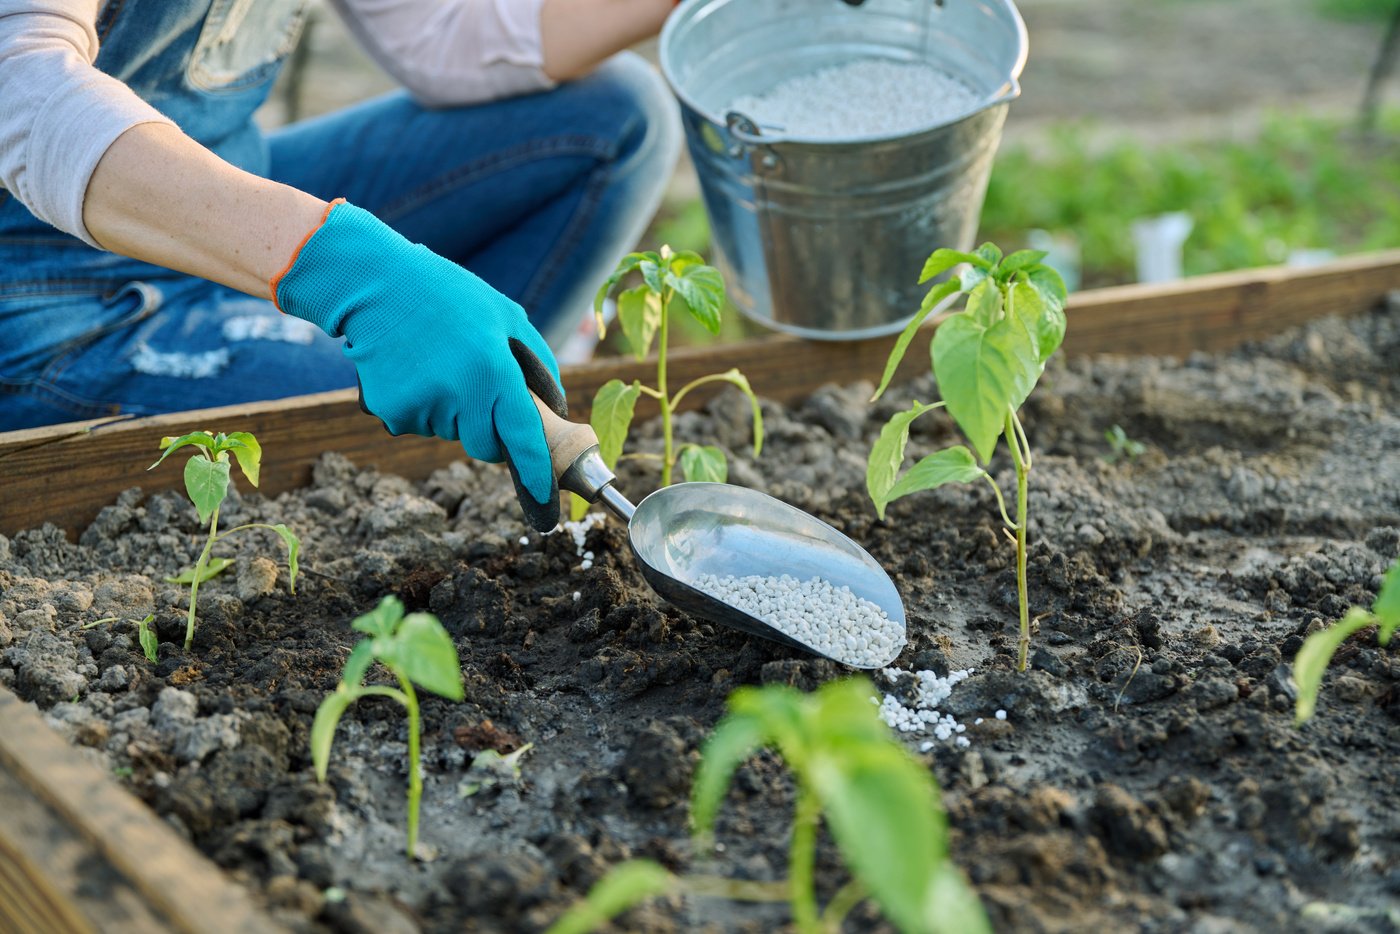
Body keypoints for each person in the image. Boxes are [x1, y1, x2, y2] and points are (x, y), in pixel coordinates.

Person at [0, 0, 683, 530]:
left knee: (616, 118)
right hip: (44, 296)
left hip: (226, 185)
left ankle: (486, 393)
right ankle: (465, 440)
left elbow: (440, 36)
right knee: (405, 415)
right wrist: (351, 271)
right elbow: (19, 83)